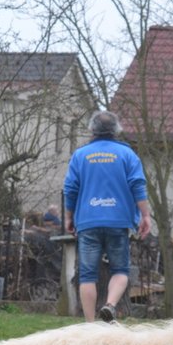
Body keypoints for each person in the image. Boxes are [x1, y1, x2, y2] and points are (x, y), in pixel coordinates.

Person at [63, 110, 152, 322]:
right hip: (118, 222)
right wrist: (145, 215)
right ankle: (110, 305)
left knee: (87, 276)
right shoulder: (128, 155)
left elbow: (70, 188)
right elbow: (138, 186)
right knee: (120, 271)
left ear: (91, 129)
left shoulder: (80, 155)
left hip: (88, 221)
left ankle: (90, 324)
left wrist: (68, 217)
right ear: (117, 130)